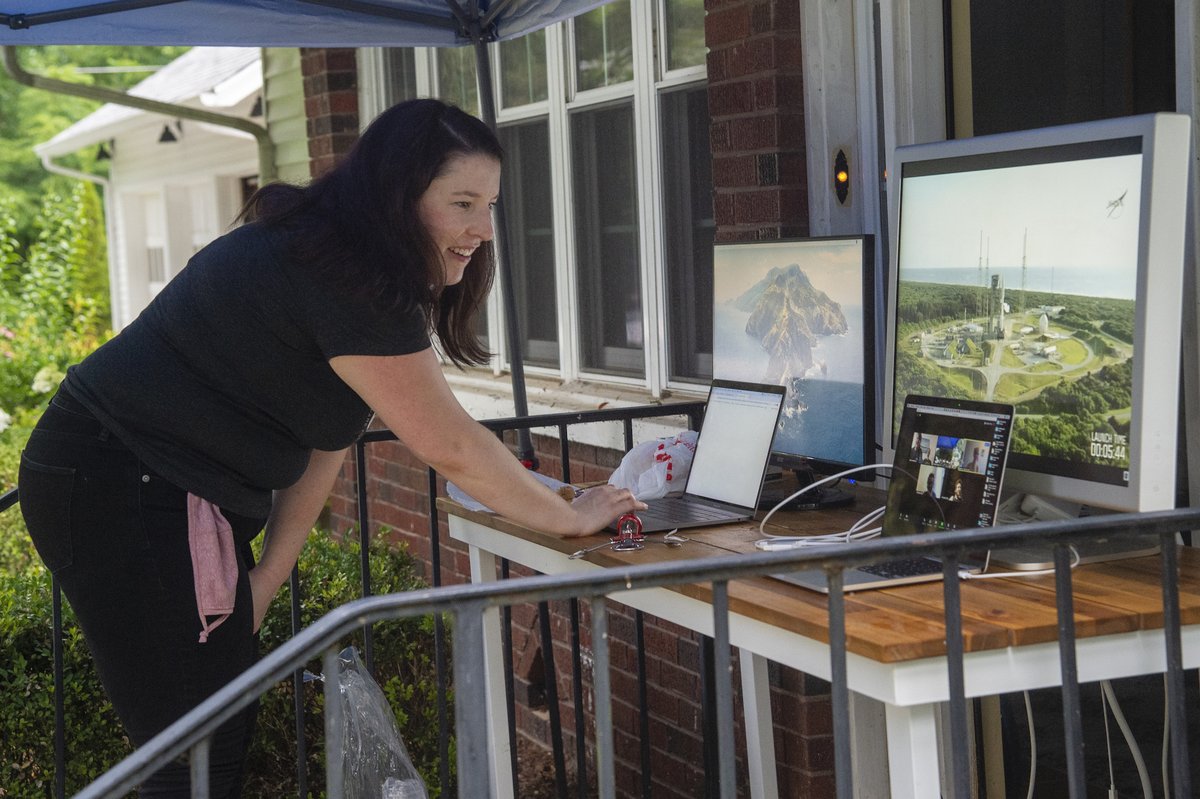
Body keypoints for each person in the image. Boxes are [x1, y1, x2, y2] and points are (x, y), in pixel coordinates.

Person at [17, 99, 643, 797]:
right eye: (462, 202)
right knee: (194, 751)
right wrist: (569, 514)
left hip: (136, 483)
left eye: (490, 204)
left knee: (203, 736)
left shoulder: (344, 262)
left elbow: (327, 439)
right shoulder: (347, 275)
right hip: (119, 481)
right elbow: (454, 446)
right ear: (397, 196)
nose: (482, 229)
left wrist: (266, 581)